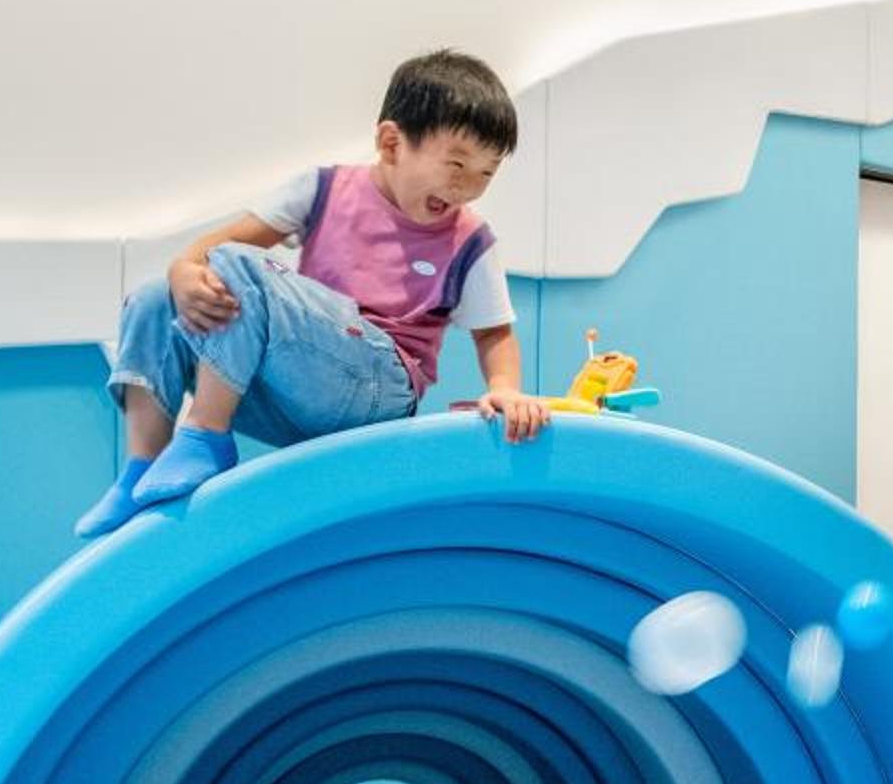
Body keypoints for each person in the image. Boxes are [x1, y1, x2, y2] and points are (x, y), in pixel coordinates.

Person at [75, 50, 548, 538]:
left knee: (237, 264)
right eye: (456, 164)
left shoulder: (469, 240)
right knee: (155, 298)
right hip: (292, 389)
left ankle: (206, 435)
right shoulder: (324, 189)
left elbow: (494, 334)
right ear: (391, 143)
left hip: (377, 388)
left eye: (486, 174)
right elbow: (220, 246)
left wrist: (504, 389)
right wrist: (182, 271)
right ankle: (141, 470)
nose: (466, 188)